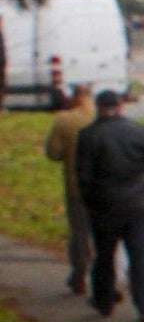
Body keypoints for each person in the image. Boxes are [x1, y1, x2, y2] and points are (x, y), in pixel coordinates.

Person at [70, 88, 144, 322]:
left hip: (104, 204)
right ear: (120, 107)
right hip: (136, 203)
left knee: (104, 255)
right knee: (139, 253)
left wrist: (90, 201)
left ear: (99, 109)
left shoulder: (88, 136)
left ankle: (104, 300)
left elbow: (84, 176)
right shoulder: (138, 131)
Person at [40, 68, 93, 294]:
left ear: (75, 95)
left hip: (75, 185)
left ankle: (79, 273)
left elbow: (53, 153)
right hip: (106, 186)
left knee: (79, 232)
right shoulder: (100, 117)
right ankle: (106, 277)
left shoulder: (65, 121)